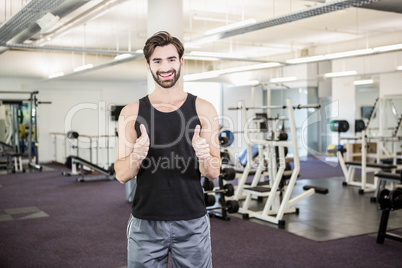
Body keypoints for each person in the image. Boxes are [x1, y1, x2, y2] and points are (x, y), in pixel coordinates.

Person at [115, 31, 221, 268]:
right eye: (157, 60)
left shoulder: (204, 109)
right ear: (148, 65)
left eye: (171, 59)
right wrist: (137, 155)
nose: (165, 67)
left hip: (192, 220)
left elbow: (213, 172)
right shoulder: (130, 113)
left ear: (181, 62)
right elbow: (121, 174)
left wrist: (204, 156)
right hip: (146, 222)